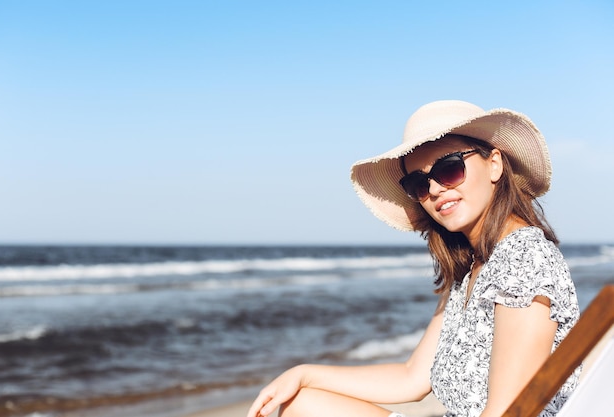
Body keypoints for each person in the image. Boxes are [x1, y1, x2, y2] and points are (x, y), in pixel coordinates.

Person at [246, 100, 580, 417]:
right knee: (302, 404)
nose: (434, 189)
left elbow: (509, 411)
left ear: (494, 164)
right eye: (419, 182)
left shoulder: (523, 258)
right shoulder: (472, 271)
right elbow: (412, 378)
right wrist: (304, 374)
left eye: (449, 168)